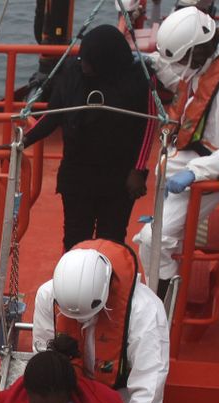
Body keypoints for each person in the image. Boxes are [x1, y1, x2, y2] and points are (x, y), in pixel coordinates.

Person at [136, 8, 219, 290]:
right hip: (188, 162)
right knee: (158, 235)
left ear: (195, 52)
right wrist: (153, 62)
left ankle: (162, 298)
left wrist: (195, 172)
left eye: (179, 60)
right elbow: (188, 84)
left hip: (211, 171)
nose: (177, 67)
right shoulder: (206, 62)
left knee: (153, 240)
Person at [22, 24, 155, 249]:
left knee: (111, 240)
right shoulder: (72, 74)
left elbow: (149, 124)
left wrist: (138, 169)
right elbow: (53, 115)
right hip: (78, 172)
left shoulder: (139, 81)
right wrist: (23, 141)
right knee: (75, 238)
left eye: (90, 61)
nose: (84, 65)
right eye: (82, 59)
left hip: (119, 174)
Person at [31, 243, 169, 403]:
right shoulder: (49, 296)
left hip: (119, 397)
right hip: (67, 396)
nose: (80, 321)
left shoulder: (144, 311)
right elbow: (44, 353)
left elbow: (150, 378)